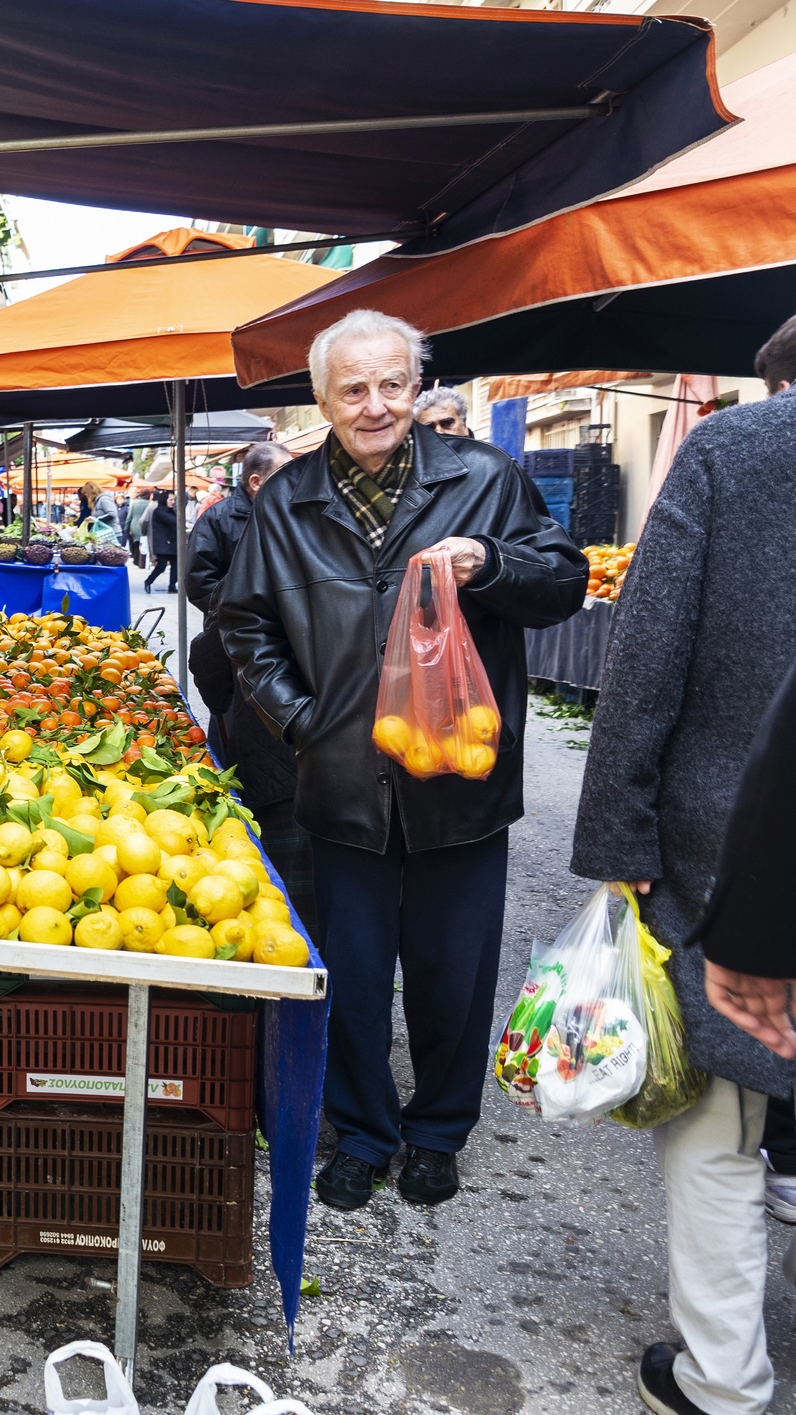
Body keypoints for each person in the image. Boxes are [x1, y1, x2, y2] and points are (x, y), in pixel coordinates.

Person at [219, 309, 585, 1213]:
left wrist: (491, 561)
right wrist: (304, 722)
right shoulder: (286, 502)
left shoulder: (486, 479)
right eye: (353, 388)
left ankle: (436, 1131)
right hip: (340, 781)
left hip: (458, 777)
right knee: (346, 967)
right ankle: (363, 1128)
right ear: (321, 398)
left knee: (449, 971)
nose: (375, 404)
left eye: (392, 384)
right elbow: (241, 623)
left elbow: (564, 582)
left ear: (416, 388)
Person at [569, 312, 796, 1415]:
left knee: (717, 1125)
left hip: (732, 843)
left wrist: (620, 841)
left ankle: (722, 1378)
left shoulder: (732, 450)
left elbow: (644, 660)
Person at [184, 441, 311, 925]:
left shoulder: (291, 523)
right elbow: (201, 585)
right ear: (258, 482)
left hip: (283, 726)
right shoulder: (222, 521)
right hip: (261, 712)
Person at [141, 487, 178, 591]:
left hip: (171, 542)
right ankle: (148, 581)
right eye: (171, 500)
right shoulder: (159, 511)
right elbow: (172, 521)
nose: (173, 502)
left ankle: (172, 585)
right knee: (161, 565)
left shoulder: (171, 511)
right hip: (162, 542)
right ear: (164, 499)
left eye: (174, 500)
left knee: (176, 566)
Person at [126, 484, 155, 566]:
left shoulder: (134, 503)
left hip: (134, 525)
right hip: (146, 526)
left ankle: (136, 560)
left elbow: (129, 516)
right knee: (144, 543)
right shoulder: (149, 504)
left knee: (136, 543)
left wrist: (126, 528)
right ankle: (142, 562)